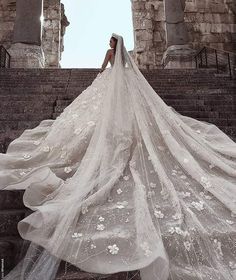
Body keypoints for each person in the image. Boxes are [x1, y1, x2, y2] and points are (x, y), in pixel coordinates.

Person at [0, 33, 236, 280]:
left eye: (110, 42)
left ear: (113, 45)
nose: (109, 44)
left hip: (109, 86)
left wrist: (101, 75)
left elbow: (103, 70)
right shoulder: (125, 58)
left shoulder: (111, 55)